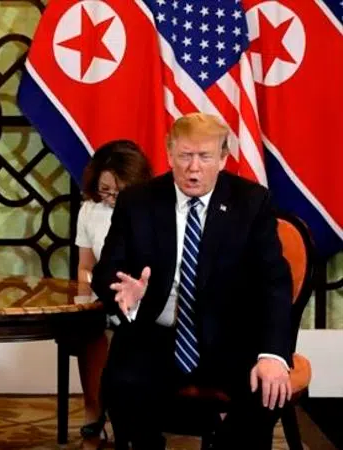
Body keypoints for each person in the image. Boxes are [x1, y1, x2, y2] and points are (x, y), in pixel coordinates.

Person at [93, 113, 293, 449]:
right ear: (170, 154)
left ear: (223, 159)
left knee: (265, 388)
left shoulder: (251, 202)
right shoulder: (138, 201)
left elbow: (274, 283)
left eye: (204, 157)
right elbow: (106, 272)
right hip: (156, 335)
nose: (193, 168)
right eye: (185, 156)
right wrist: (128, 292)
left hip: (230, 340)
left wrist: (273, 354)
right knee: (121, 384)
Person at [72, 140, 152, 439]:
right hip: (103, 295)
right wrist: (87, 298)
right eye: (105, 190)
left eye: (119, 191)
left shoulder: (152, 208)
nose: (111, 197)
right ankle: (93, 409)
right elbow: (85, 266)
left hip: (143, 297)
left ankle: (134, 416)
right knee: (88, 329)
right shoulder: (89, 210)